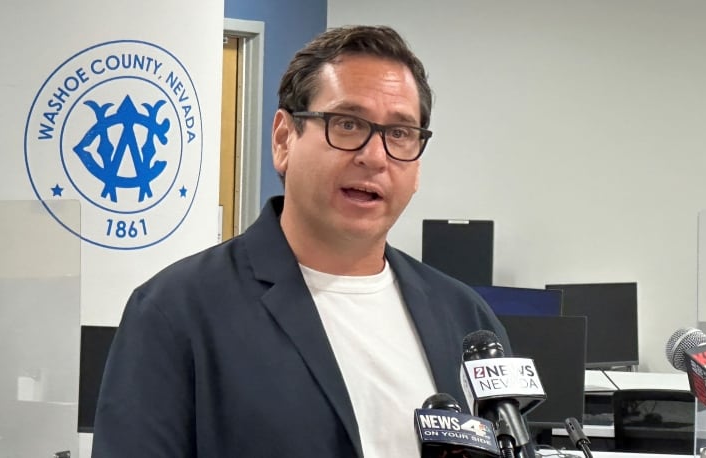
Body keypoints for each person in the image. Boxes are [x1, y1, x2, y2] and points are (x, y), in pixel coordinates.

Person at [92, 24, 510, 457]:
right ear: (283, 140)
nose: (375, 156)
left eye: (400, 133)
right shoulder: (176, 311)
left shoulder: (466, 319)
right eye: (347, 124)